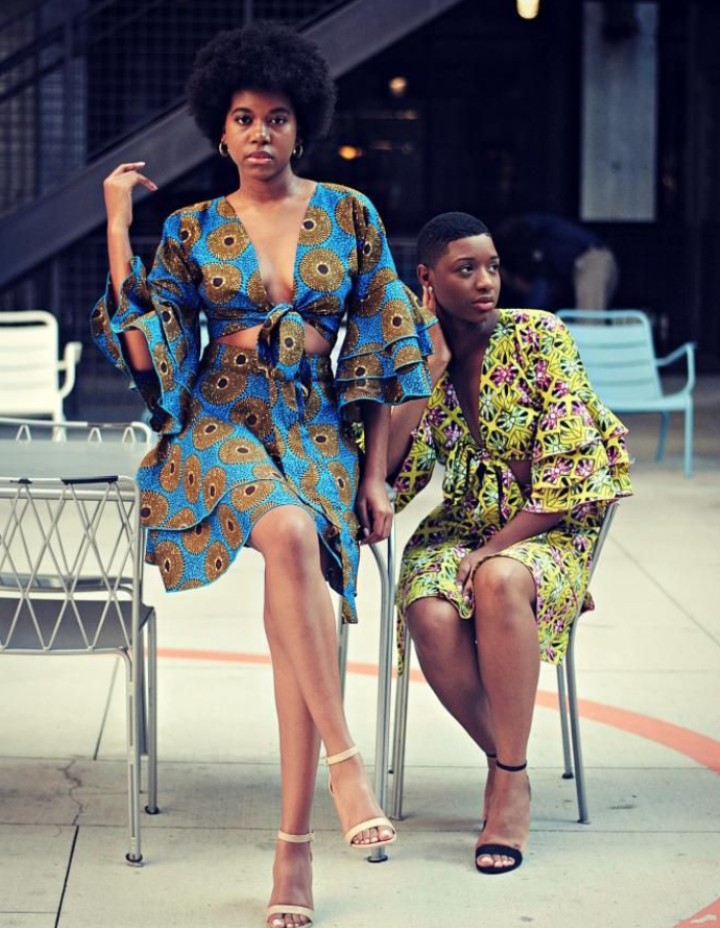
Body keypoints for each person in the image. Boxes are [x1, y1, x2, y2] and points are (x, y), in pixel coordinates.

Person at [90, 22, 434, 928]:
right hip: (221, 417)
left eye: (277, 117)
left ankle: (293, 851)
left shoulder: (351, 213)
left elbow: (381, 352)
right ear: (220, 127)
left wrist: (375, 476)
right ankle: (346, 766)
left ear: (301, 125)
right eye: (243, 117)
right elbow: (146, 347)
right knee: (286, 529)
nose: (259, 133)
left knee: (300, 562)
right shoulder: (190, 228)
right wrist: (118, 225)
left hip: (316, 423)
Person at [387, 212, 632, 875]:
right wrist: (429, 368)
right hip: (462, 525)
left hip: (548, 527)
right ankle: (507, 761)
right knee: (429, 609)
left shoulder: (538, 336)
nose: (485, 282)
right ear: (427, 279)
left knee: (497, 577)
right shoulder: (417, 355)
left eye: (492, 266)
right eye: (465, 269)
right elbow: (392, 476)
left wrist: (492, 548)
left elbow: (573, 474)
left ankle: (509, 785)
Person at [494, 212, 619, 311]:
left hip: (591, 259)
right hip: (581, 266)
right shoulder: (540, 257)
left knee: (589, 320)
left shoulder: (534, 231)